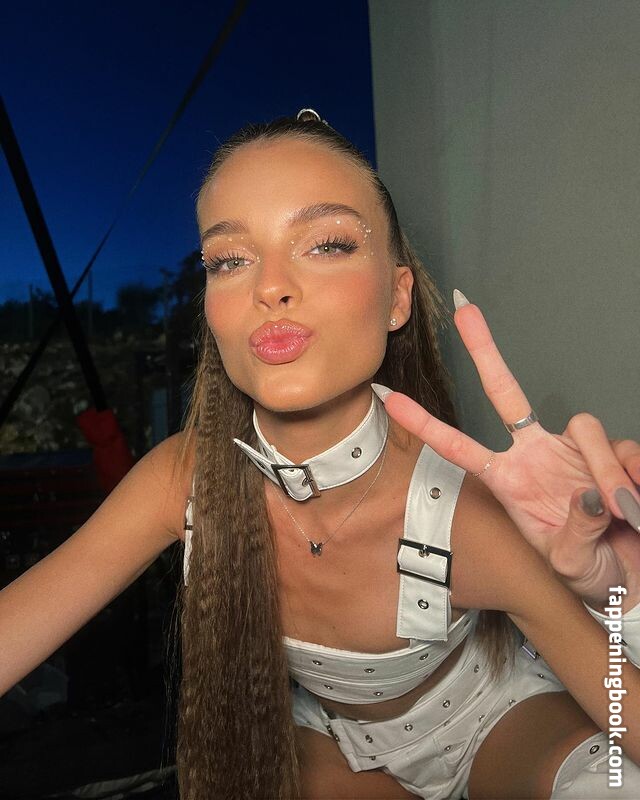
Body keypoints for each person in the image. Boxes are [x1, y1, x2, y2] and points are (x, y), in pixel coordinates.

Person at [1, 109, 639, 800]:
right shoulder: (184, 482)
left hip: (506, 725)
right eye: (229, 260)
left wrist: (627, 598)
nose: (269, 287)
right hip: (328, 745)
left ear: (398, 298)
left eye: (327, 244)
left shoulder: (466, 512)